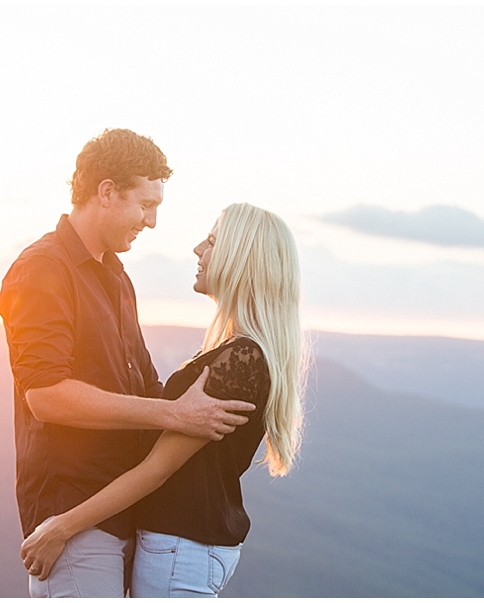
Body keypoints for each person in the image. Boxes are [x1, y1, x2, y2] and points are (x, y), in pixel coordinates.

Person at [0, 129, 256, 598]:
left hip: (122, 514)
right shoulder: (43, 269)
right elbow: (46, 395)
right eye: (146, 205)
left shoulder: (116, 276)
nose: (152, 222)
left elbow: (145, 385)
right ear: (107, 192)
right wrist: (174, 415)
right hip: (73, 513)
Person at [20, 203, 306, 598]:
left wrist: (62, 526)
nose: (196, 250)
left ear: (241, 259)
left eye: (211, 242)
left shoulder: (240, 361)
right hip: (184, 550)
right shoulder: (239, 354)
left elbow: (158, 469)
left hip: (180, 552)